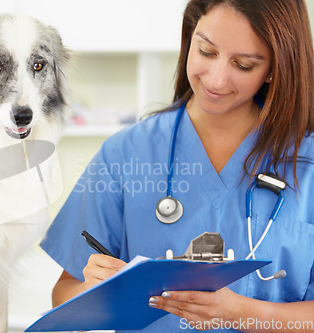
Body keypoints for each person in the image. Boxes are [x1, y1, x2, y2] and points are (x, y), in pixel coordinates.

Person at [40, 0, 314, 331]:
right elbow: (63, 294)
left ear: (274, 69)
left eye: (243, 65)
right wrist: (92, 290)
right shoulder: (126, 153)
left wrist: (238, 312)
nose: (216, 79)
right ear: (189, 38)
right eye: (206, 52)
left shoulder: (307, 160)